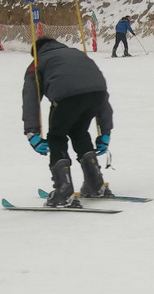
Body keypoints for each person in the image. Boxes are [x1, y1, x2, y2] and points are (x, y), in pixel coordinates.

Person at [22, 36, 114, 207]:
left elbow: (31, 99)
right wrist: (105, 131)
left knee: (56, 137)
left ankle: (63, 191)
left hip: (66, 98)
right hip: (97, 95)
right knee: (79, 132)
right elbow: (99, 91)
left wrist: (31, 132)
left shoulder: (38, 62)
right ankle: (95, 184)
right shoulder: (77, 54)